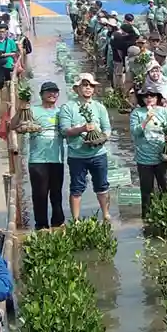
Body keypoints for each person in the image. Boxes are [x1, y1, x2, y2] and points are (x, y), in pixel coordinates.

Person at [58, 73, 113, 221]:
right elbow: (64, 130)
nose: (88, 88)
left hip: (98, 153)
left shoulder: (99, 107)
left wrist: (103, 138)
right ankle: (76, 219)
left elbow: (107, 128)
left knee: (102, 185)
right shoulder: (68, 107)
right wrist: (81, 129)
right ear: (76, 88)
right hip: (77, 154)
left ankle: (106, 214)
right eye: (85, 85)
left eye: (91, 86)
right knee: (76, 188)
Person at [14, 81, 66, 230]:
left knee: (56, 193)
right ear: (41, 94)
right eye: (49, 91)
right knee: (40, 194)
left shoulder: (61, 112)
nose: (52, 94)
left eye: (55, 91)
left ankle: (58, 222)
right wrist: (20, 110)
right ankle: (41, 224)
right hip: (38, 160)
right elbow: (14, 126)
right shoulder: (33, 111)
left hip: (57, 159)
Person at [129, 84, 167, 219]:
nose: (149, 98)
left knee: (166, 189)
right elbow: (135, 132)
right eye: (146, 96)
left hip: (163, 157)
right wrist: (146, 120)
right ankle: (147, 219)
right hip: (144, 158)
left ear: (157, 97)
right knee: (146, 192)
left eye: (152, 95)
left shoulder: (165, 112)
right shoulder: (137, 113)